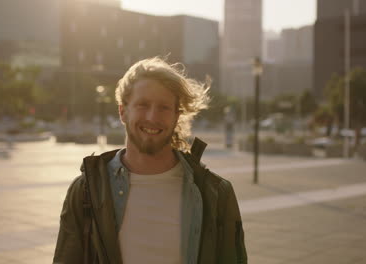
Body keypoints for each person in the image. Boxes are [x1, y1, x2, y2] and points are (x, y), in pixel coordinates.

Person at [53, 57, 247, 264]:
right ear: (122, 111)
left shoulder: (216, 193)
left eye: (164, 107)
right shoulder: (87, 191)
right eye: (143, 105)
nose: (152, 117)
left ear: (176, 116)